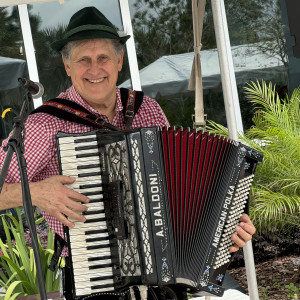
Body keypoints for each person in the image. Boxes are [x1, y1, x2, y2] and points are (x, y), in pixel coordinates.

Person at [0, 6, 256, 300]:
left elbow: (181, 190)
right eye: (84, 60)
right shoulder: (44, 124)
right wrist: (36, 193)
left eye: (103, 58)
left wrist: (224, 229)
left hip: (167, 277)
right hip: (96, 280)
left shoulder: (146, 109)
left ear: (119, 60)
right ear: (67, 65)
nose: (95, 69)